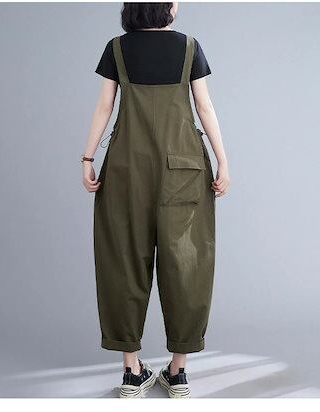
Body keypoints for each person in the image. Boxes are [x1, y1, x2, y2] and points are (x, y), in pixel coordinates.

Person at [81, 3, 229, 398]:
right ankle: (178, 371)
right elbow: (204, 106)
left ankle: (131, 370)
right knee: (187, 262)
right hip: (185, 169)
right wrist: (223, 160)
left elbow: (104, 106)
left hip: (126, 169)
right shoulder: (188, 47)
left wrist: (87, 158)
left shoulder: (117, 48)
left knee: (123, 257)